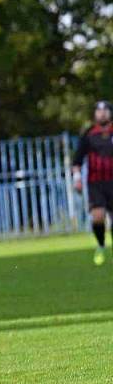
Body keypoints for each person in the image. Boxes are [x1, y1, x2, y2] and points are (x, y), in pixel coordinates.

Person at [72, 100, 113, 266]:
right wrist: (77, 179)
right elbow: (77, 160)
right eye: (98, 110)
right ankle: (101, 244)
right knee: (97, 217)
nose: (102, 113)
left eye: (105, 110)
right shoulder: (89, 134)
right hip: (96, 183)